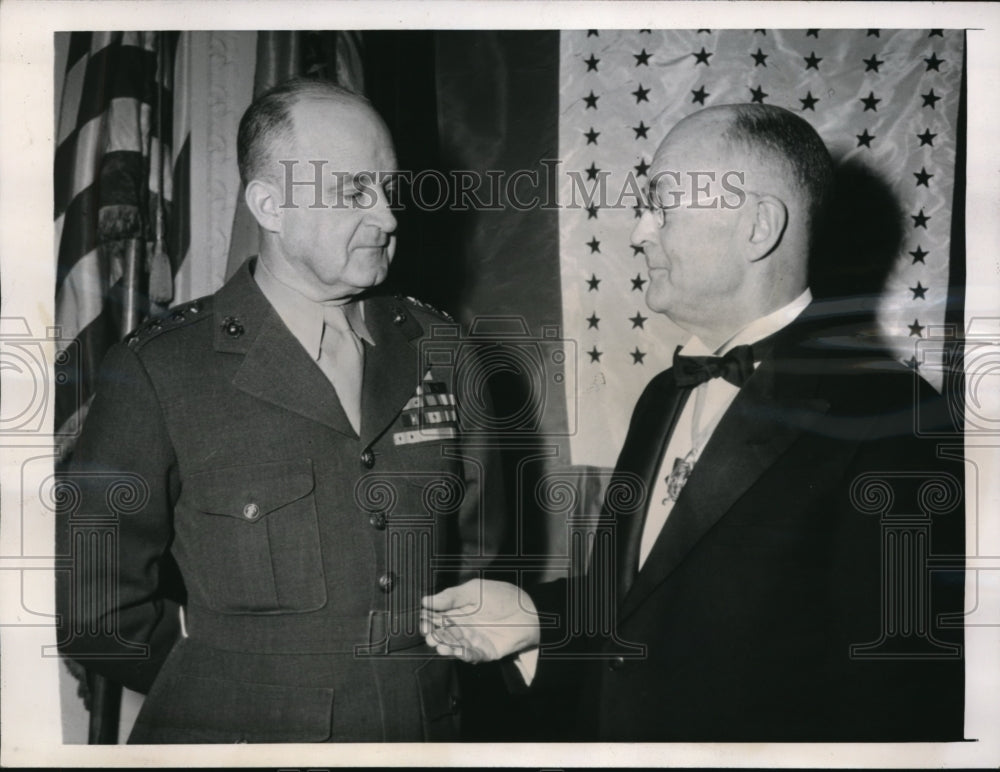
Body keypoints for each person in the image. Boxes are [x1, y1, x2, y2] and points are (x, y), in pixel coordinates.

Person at [420, 103, 965, 742]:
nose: (640, 232)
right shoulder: (662, 395)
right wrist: (537, 613)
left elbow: (894, 699)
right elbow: (653, 601)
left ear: (759, 227)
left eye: (662, 205)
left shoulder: (894, 417)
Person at [56, 77, 502, 743]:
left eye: (387, 189)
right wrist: (223, 684)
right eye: (354, 191)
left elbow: (478, 553)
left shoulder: (442, 350)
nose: (387, 216)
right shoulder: (162, 368)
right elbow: (95, 610)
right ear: (269, 203)